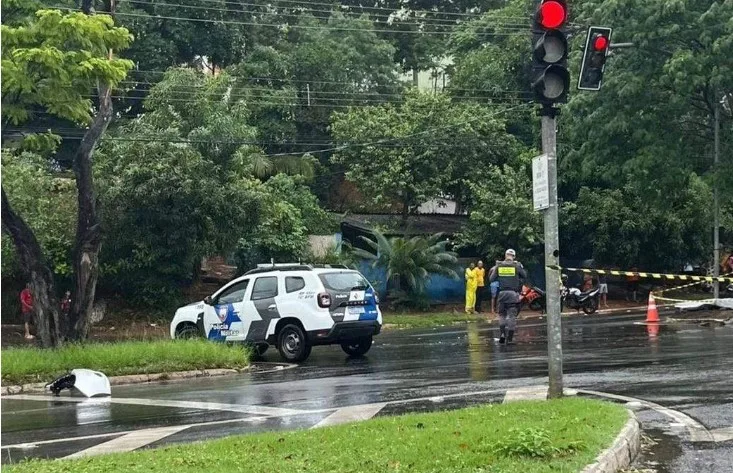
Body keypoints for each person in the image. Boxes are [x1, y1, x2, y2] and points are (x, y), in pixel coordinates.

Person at [489, 249, 527, 344]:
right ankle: (509, 338)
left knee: (502, 315)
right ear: (513, 257)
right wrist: (519, 266)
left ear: (505, 256)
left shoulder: (499, 266)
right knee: (512, 316)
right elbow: (524, 276)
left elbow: (491, 279)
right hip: (513, 295)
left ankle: (502, 335)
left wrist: (497, 267)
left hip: (502, 294)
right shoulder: (516, 266)